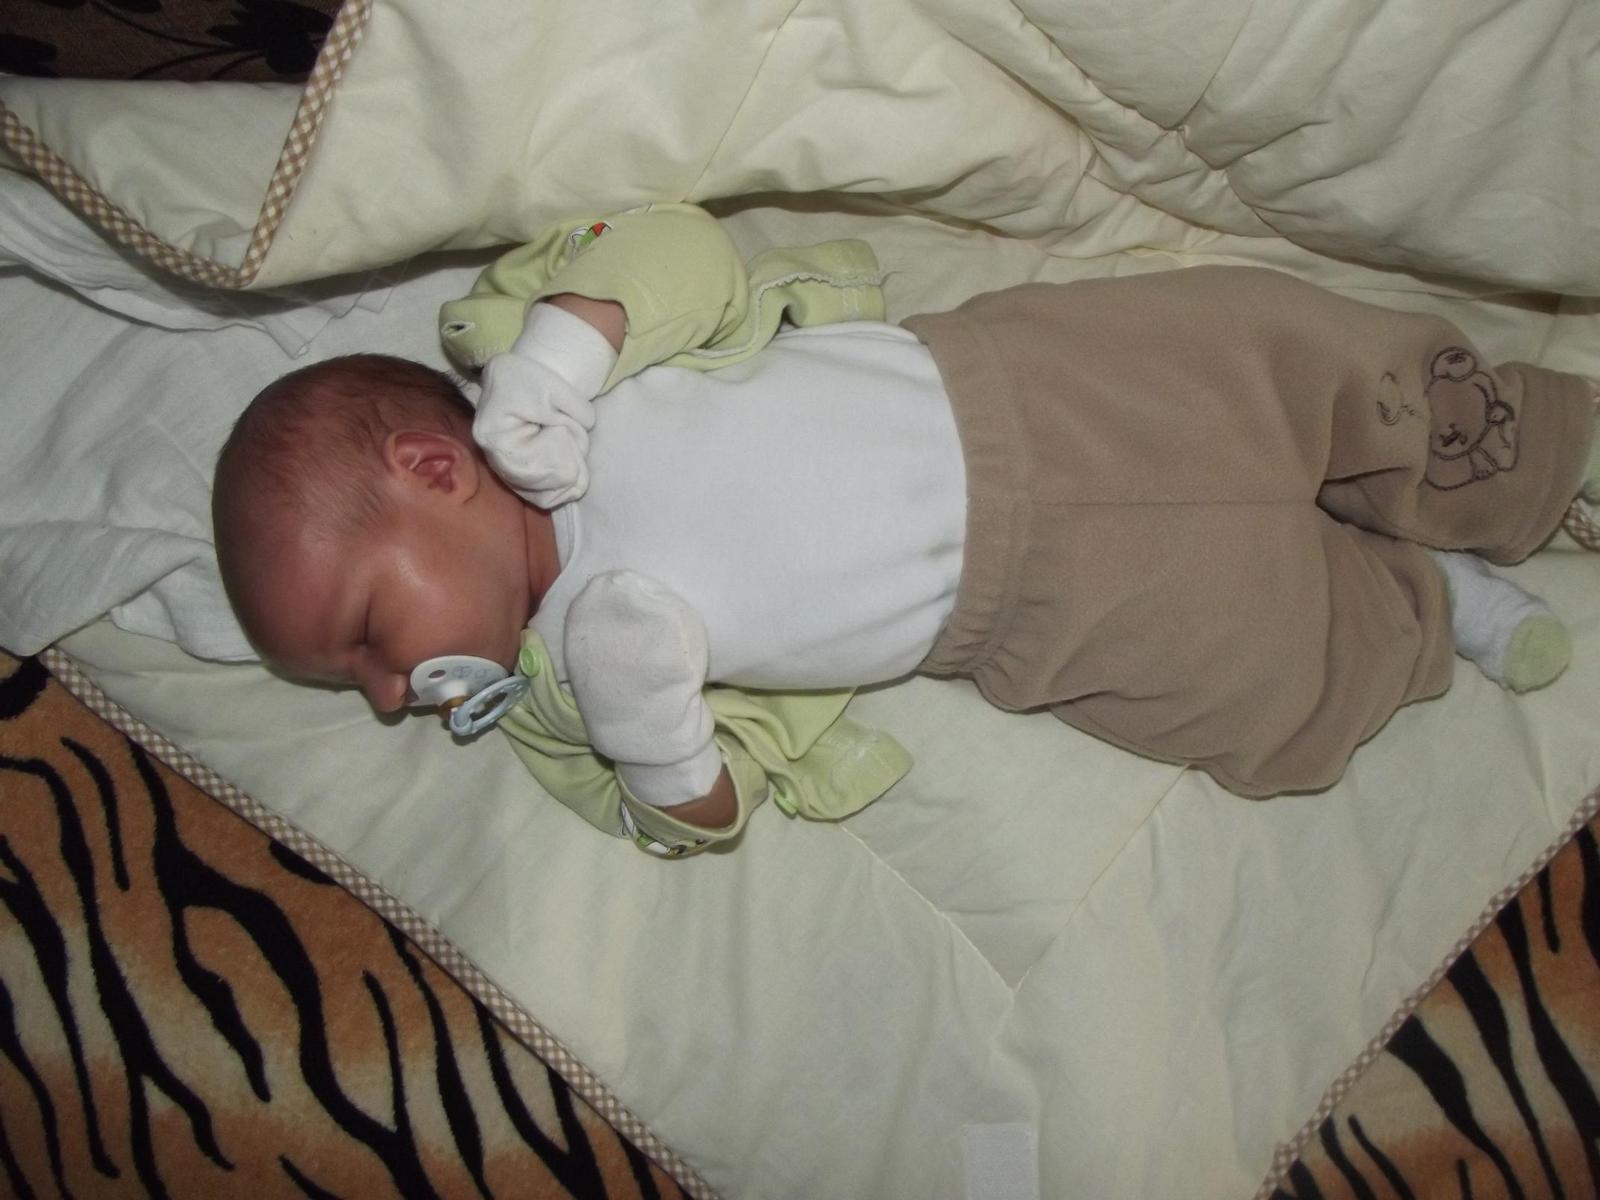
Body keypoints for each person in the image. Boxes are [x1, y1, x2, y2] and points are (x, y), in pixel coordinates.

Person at [213, 214, 1599, 852]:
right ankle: (1435, 604)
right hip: (1026, 606)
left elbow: (682, 248)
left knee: (1284, 351)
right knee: (1270, 689)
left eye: (367, 637)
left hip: (1030, 389)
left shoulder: (556, 375)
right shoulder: (557, 706)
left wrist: (566, 353)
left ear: (431, 468)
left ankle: (1519, 465)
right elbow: (702, 822)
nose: (391, 696)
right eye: (357, 686)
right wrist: (654, 747)